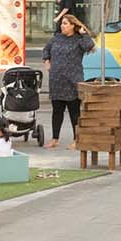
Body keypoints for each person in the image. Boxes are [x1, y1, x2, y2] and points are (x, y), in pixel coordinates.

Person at [42, 12, 96, 147]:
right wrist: (47, 62)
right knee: (57, 111)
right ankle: (55, 138)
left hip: (73, 80)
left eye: (65, 23)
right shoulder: (56, 38)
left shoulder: (79, 39)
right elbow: (46, 50)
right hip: (57, 80)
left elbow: (90, 46)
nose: (62, 26)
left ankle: (76, 139)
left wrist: (84, 33)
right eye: (62, 23)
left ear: (73, 25)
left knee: (74, 112)